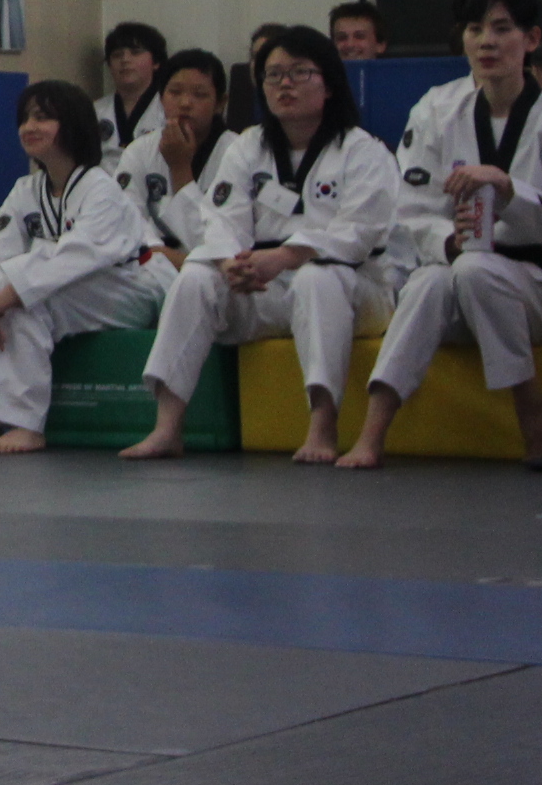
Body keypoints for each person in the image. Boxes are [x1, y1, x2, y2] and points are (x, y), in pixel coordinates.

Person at [341, 0, 542, 468]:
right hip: (463, 276)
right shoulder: (437, 108)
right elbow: (412, 207)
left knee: (475, 270)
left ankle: (531, 408)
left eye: (502, 29)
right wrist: (450, 241)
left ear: (531, 39)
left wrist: (508, 190)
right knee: (430, 281)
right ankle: (373, 429)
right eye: (475, 29)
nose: (487, 41)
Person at [124, 25, 398, 463]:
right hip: (264, 285)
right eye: (273, 75)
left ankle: (323, 424)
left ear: (328, 84)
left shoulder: (363, 151)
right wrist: (229, 263)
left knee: (316, 279)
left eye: (299, 73)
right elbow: (221, 219)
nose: (284, 84)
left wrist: (286, 256)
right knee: (196, 276)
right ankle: (168, 427)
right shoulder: (249, 147)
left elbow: (359, 234)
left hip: (355, 289)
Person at [0, 81, 160, 454]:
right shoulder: (26, 189)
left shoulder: (101, 189)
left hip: (127, 290)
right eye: (25, 119)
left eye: (42, 118)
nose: (29, 126)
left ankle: (25, 423)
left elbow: (73, 259)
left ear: (72, 125)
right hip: (76, 292)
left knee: (25, 294)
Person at [113, 47, 229, 265]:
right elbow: (126, 219)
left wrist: (180, 168)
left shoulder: (235, 151)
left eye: (199, 94)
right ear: (161, 98)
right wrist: (156, 252)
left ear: (220, 104)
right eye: (175, 92)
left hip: (212, 266)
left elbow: (222, 239)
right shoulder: (139, 150)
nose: (185, 103)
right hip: (151, 260)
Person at [100, 21, 168, 159]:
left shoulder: (169, 109)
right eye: (117, 55)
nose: (125, 59)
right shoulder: (95, 111)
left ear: (156, 62)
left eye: (135, 52)